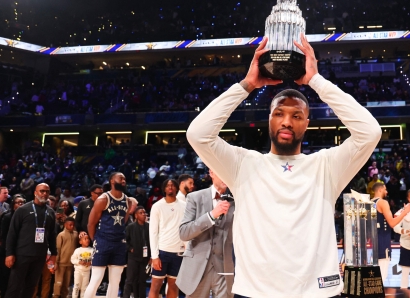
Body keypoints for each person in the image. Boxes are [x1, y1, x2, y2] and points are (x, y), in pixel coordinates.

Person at [186, 35, 381, 297]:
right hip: (256, 292)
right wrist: (247, 85)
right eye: (279, 114)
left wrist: (316, 81)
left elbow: (370, 132)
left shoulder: (326, 166)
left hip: (317, 292)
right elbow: (198, 134)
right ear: (269, 119)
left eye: (296, 116)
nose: (287, 121)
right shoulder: (243, 164)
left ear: (307, 124)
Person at [177, 169, 235, 298]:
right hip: (198, 268)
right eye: (222, 170)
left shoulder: (236, 201)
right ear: (212, 172)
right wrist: (211, 215)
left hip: (225, 269)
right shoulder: (194, 197)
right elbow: (184, 233)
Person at [84, 172, 136, 298]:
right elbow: (91, 224)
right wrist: (95, 240)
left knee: (115, 281)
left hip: (119, 242)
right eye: (121, 178)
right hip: (103, 241)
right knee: (96, 278)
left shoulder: (127, 201)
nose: (124, 180)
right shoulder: (103, 199)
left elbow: (123, 221)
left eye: (124, 178)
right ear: (112, 181)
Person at [5, 183, 57, 298]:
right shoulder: (22, 210)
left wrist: (54, 254)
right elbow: (12, 233)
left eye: (47, 191)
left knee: (31, 286)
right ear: (35, 192)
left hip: (39, 256)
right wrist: (9, 253)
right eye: (42, 191)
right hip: (21, 255)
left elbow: (52, 235)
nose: (44, 194)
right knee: (14, 286)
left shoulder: (51, 212)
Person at [148, 179, 186, 298]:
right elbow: (153, 232)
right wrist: (154, 256)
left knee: (174, 286)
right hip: (162, 252)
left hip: (179, 252)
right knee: (155, 286)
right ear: (164, 189)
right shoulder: (157, 206)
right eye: (168, 185)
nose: (170, 187)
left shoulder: (185, 206)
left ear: (176, 188)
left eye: (172, 185)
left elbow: (187, 228)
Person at [371, 182, 410, 281]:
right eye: (385, 189)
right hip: (383, 240)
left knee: (375, 275)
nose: (387, 191)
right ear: (380, 190)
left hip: (374, 241)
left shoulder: (370, 202)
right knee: (382, 275)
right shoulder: (383, 202)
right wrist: (405, 212)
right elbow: (392, 223)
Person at [0, 195, 25, 298]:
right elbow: (4, 236)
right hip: (7, 250)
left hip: (21, 250)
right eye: (18, 202)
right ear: (13, 204)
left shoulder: (26, 217)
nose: (20, 204)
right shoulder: (7, 216)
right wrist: (8, 252)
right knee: (5, 274)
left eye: (22, 203)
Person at [123, 206, 150, 298]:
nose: (144, 214)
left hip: (145, 257)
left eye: (144, 213)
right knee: (130, 280)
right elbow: (124, 240)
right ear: (136, 215)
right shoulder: (130, 227)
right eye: (141, 213)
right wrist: (130, 248)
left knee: (142, 280)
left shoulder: (149, 227)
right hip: (133, 257)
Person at [53, 217, 78, 298]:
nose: (72, 226)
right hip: (61, 263)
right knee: (58, 283)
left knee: (66, 284)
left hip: (70, 264)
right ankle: (56, 296)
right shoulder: (61, 235)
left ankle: (64, 296)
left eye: (73, 225)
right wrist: (56, 262)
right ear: (65, 225)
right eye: (70, 225)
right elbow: (58, 249)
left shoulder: (76, 234)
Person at [71, 232, 93, 298]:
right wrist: (79, 262)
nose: (87, 240)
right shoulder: (78, 250)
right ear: (80, 242)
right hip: (78, 271)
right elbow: (72, 259)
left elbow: (94, 260)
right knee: (77, 286)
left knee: (85, 288)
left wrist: (91, 263)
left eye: (88, 238)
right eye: (85, 239)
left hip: (87, 272)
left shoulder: (92, 250)